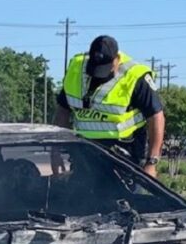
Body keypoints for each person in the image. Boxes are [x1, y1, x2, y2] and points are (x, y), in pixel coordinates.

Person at [55, 35, 165, 178]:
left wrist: (151, 163)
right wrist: (56, 152)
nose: (99, 75)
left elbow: (157, 117)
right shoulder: (76, 70)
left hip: (124, 155)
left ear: (117, 60)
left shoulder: (135, 76)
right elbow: (62, 111)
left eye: (105, 69)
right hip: (84, 153)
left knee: (123, 199)